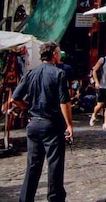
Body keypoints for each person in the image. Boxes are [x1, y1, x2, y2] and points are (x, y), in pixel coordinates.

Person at [12, 41, 74, 202]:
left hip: (33, 123)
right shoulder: (58, 73)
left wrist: (28, 107)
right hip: (51, 123)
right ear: (54, 54)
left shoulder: (31, 73)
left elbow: (15, 98)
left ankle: (25, 198)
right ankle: (55, 198)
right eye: (59, 52)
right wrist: (69, 124)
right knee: (54, 163)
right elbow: (64, 102)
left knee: (33, 165)